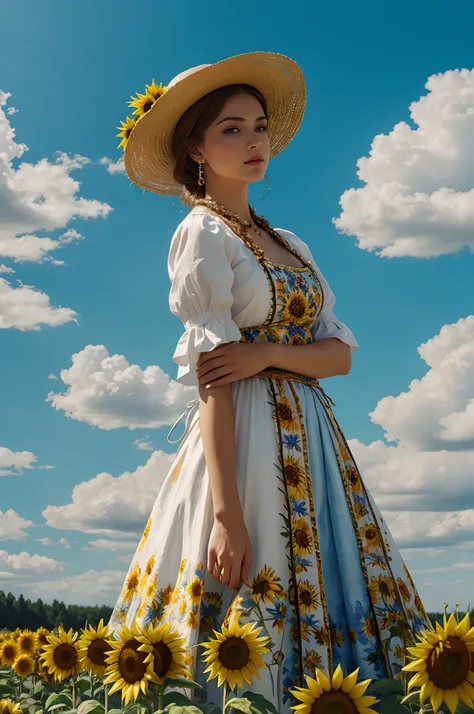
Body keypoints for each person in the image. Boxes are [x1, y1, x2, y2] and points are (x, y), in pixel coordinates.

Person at [108, 51, 431, 711]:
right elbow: (213, 382)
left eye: (258, 126)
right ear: (196, 146)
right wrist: (226, 515)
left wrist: (264, 357)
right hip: (243, 442)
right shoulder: (202, 233)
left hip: (314, 443)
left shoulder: (291, 242)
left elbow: (339, 356)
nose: (254, 141)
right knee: (243, 595)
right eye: (231, 129)